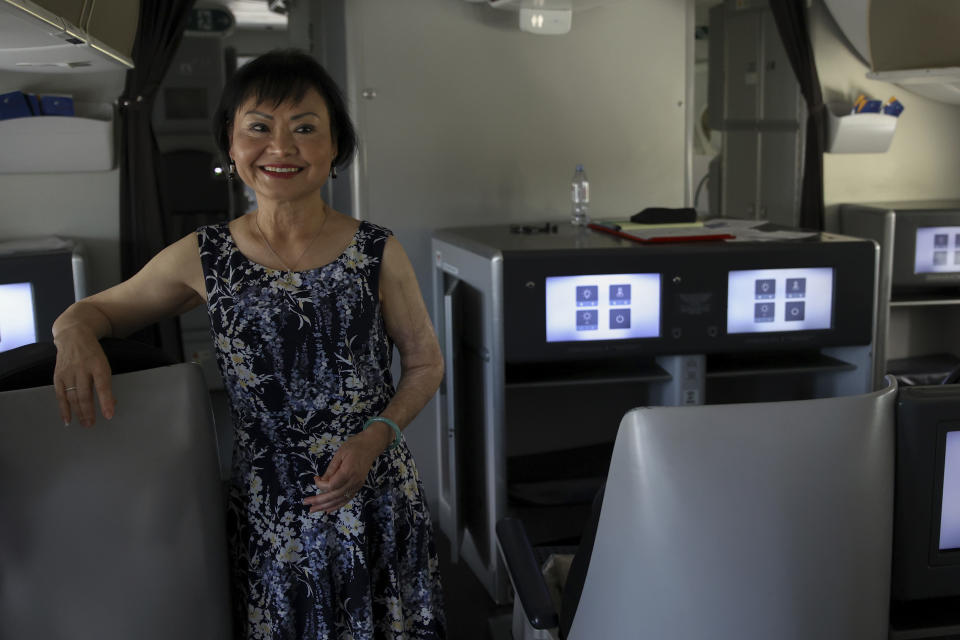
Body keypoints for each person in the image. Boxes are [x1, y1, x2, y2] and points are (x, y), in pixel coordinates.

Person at [52, 49, 446, 639]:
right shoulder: (204, 255)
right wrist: (73, 332)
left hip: (374, 496)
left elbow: (424, 364)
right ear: (232, 148)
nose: (281, 148)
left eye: (305, 129)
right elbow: (95, 311)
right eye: (258, 128)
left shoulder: (377, 251)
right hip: (271, 509)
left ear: (334, 146)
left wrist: (375, 437)